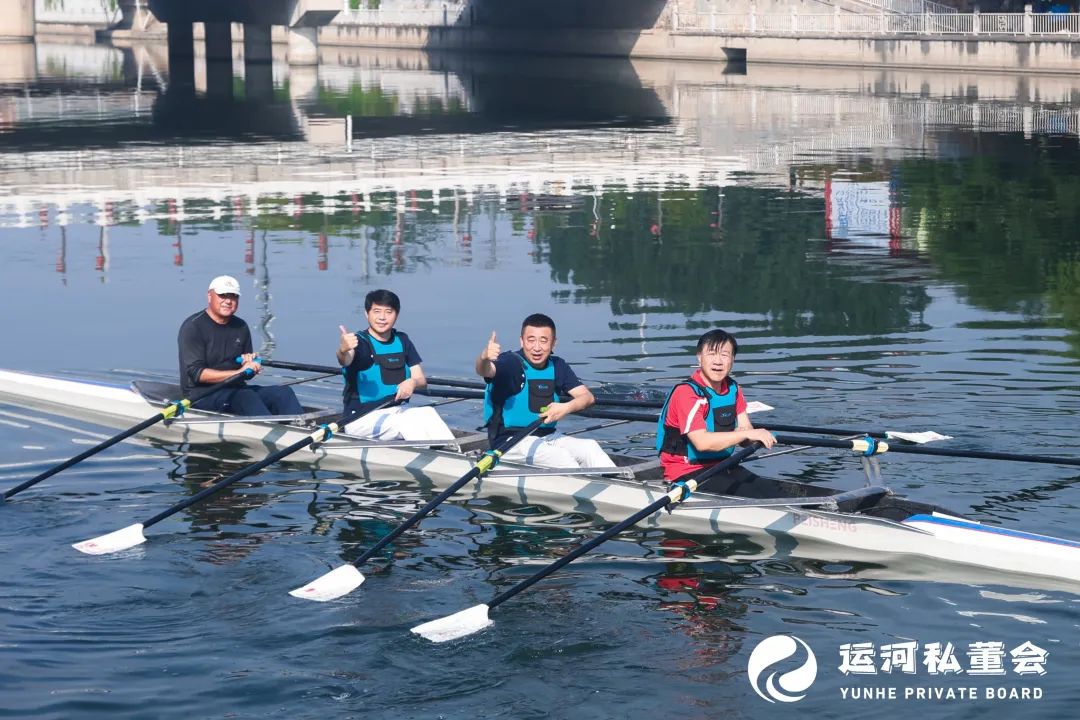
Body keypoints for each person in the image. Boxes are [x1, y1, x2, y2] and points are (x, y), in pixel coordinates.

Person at [475, 313, 614, 468]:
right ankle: (585, 485)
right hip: (509, 441)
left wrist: (566, 407)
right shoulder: (510, 363)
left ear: (553, 343)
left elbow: (587, 397)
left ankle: (618, 485)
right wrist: (484, 357)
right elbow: (485, 371)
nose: (537, 347)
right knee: (560, 457)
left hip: (548, 436)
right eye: (531, 340)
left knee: (590, 447)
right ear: (522, 341)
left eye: (544, 341)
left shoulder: (558, 366)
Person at [657, 329, 776, 482]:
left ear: (732, 359)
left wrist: (754, 435)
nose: (718, 361)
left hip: (722, 465)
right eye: (712, 354)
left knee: (771, 491)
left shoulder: (733, 389)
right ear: (699, 358)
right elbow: (702, 443)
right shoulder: (687, 393)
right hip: (686, 472)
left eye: (725, 355)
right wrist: (746, 434)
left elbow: (746, 434)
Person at [336, 289, 452, 441]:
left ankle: (453, 451)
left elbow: (421, 380)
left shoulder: (402, 340)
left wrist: (413, 382)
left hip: (397, 410)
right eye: (376, 311)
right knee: (406, 422)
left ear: (396, 314)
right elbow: (344, 359)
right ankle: (437, 458)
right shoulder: (358, 343)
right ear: (367, 314)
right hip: (360, 418)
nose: (382, 318)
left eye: (388, 312)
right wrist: (343, 349)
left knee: (427, 412)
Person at [178, 275, 303, 416]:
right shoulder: (193, 327)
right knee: (245, 397)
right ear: (209, 296)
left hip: (235, 390)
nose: (228, 301)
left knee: (282, 392)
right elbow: (197, 374)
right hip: (201, 395)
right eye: (222, 295)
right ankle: (272, 431)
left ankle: (301, 428)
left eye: (233, 296)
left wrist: (251, 366)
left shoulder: (240, 326)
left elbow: (245, 375)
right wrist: (240, 372)